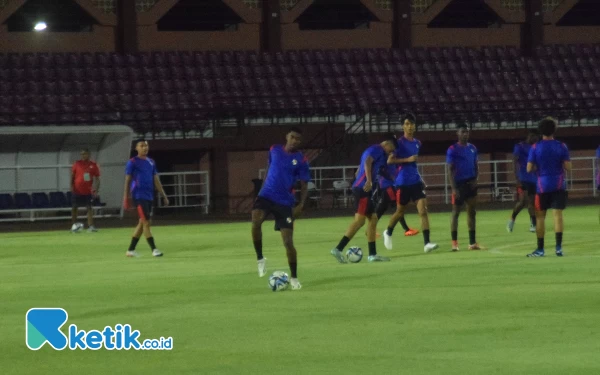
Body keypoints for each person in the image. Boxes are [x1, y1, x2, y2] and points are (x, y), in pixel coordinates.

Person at [252, 128, 310, 290]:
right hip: (266, 195)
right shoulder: (274, 149)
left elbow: (304, 184)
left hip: (285, 202)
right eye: (292, 137)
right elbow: (269, 169)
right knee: (256, 220)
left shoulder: (301, 159)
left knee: (288, 242)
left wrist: (301, 205)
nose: (295, 141)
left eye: (298, 139)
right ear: (287, 137)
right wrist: (260, 192)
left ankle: (294, 277)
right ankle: (260, 258)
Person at [330, 134, 397, 263]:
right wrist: (369, 181)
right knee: (360, 221)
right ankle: (338, 249)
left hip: (362, 188)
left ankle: (372, 254)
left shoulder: (380, 154)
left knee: (373, 218)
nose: (391, 151)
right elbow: (367, 162)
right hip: (363, 189)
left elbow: (365, 169)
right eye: (392, 148)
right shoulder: (376, 149)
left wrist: (392, 179)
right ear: (387, 143)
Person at [384, 113, 438, 253]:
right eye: (407, 124)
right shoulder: (399, 144)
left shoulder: (417, 143)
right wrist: (407, 159)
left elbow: (414, 165)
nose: (410, 126)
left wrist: (420, 178)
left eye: (412, 124)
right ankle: (388, 232)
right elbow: (390, 161)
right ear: (403, 126)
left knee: (423, 211)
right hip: (402, 183)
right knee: (400, 211)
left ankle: (427, 243)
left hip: (415, 182)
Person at [526, 117, 571, 257]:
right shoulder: (561, 146)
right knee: (557, 216)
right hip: (558, 184)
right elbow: (568, 167)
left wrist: (540, 167)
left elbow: (529, 168)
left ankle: (540, 249)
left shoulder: (535, 147)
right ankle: (558, 248)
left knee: (540, 217)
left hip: (542, 186)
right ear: (554, 130)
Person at [123, 140, 169, 258]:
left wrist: (164, 195)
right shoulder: (132, 162)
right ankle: (154, 249)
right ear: (136, 148)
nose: (145, 148)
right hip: (138, 196)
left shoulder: (151, 162)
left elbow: (156, 179)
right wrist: (126, 197)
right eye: (142, 146)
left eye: (146, 146)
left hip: (149, 196)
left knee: (142, 222)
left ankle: (131, 250)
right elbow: (127, 180)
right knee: (146, 222)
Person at [446, 123, 482, 251]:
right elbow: (449, 169)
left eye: (467, 132)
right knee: (456, 213)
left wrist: (476, 180)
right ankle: (454, 244)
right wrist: (454, 188)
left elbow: (476, 165)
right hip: (459, 185)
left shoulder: (472, 148)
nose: (465, 134)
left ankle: (472, 243)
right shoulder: (452, 149)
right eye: (463, 131)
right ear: (458, 133)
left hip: (471, 184)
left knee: (472, 212)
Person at [373, 162, 419, 237]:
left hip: (389, 186)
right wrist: (391, 178)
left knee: (382, 209)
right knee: (396, 209)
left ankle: (370, 230)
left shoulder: (394, 160)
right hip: (388, 186)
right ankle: (406, 229)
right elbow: (381, 170)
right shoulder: (388, 159)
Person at [507, 129, 540, 233]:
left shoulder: (536, 147)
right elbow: (514, 161)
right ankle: (512, 219)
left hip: (533, 179)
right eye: (533, 136)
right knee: (523, 202)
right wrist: (516, 177)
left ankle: (533, 223)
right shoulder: (520, 146)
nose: (535, 139)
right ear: (529, 136)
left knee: (531, 202)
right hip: (523, 178)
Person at [71, 148, 100, 232]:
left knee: (89, 207)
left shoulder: (93, 165)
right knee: (74, 207)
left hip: (88, 190)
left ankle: (91, 226)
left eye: (85, 154)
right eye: (82, 154)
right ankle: (74, 226)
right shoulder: (77, 164)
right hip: (77, 190)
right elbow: (72, 176)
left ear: (89, 154)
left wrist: (96, 190)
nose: (83, 155)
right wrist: (71, 187)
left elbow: (97, 179)